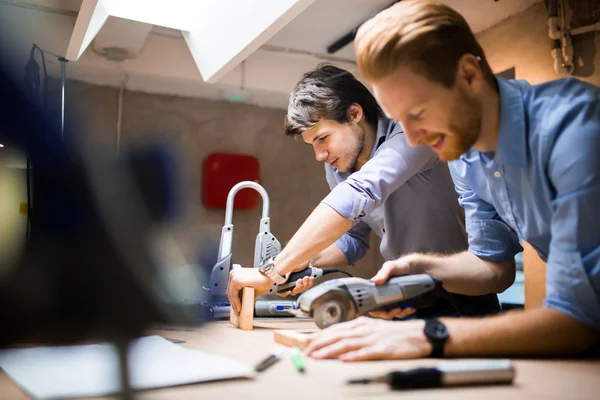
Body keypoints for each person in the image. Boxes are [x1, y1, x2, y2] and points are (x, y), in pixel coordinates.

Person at [303, 0, 600, 361]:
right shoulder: (466, 155)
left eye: (419, 114)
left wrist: (428, 335)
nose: (413, 139)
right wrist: (422, 268)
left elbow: (580, 320)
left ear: (469, 75)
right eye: (400, 119)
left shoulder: (576, 131)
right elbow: (494, 268)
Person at [227, 63, 504, 319]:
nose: (320, 155)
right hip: (403, 297)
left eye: (323, 138)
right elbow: (353, 240)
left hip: (465, 294)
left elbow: (360, 192)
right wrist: (304, 261)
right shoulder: (338, 166)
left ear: (354, 113)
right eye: (312, 144)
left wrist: (273, 270)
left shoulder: (412, 137)